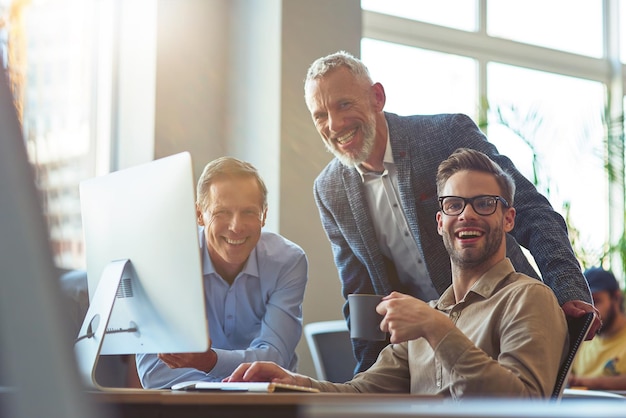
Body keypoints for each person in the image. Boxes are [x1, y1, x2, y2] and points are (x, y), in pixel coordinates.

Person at [306, 50, 597, 373]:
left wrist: (567, 290)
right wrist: (367, 384)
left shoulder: (444, 134)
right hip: (424, 350)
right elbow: (359, 293)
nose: (334, 124)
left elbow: (529, 208)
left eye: (344, 104)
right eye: (320, 115)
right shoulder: (329, 189)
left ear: (377, 97)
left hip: (504, 321)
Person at [225, 148, 568, 399]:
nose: (467, 215)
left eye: (484, 203)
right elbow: (361, 393)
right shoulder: (429, 315)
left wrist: (437, 329)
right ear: (440, 222)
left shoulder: (528, 298)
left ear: (508, 218)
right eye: (453, 205)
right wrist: (295, 383)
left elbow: (524, 405)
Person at [135, 157, 309, 388]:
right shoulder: (166, 260)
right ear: (200, 215)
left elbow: (275, 358)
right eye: (222, 212)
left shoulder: (287, 261)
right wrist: (224, 383)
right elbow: (154, 372)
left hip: (264, 404)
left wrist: (209, 362)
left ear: (264, 215)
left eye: (248, 212)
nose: (236, 226)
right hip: (188, 405)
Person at [569, 267, 626, 390]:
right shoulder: (582, 337)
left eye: (595, 301)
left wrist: (578, 381)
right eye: (586, 302)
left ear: (616, 298)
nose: (591, 309)